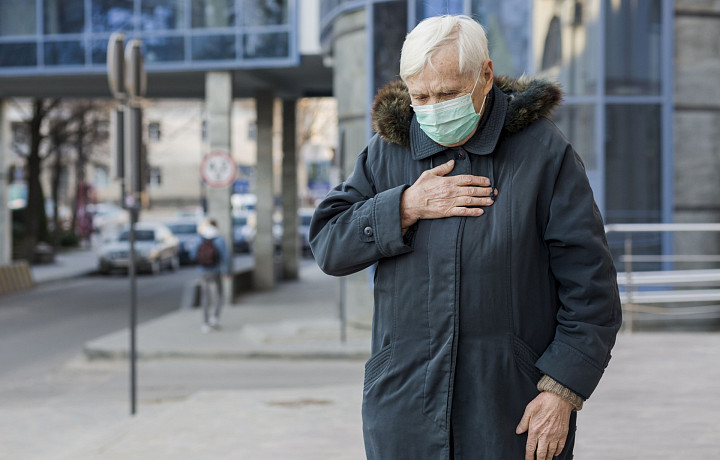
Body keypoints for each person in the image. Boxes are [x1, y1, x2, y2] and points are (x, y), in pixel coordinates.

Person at [310, 15, 621, 460]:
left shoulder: (543, 152)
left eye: (448, 93)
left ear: (485, 75)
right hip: (404, 415)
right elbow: (328, 244)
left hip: (511, 413)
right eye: (421, 96)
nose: (433, 108)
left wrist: (564, 390)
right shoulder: (389, 150)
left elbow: (592, 291)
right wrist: (404, 207)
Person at [191, 219, 231, 333]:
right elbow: (226, 257)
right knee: (219, 293)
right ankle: (215, 317)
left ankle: (205, 323)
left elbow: (193, 254)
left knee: (205, 297)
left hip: (203, 272)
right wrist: (227, 272)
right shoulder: (219, 239)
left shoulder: (200, 238)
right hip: (216, 271)